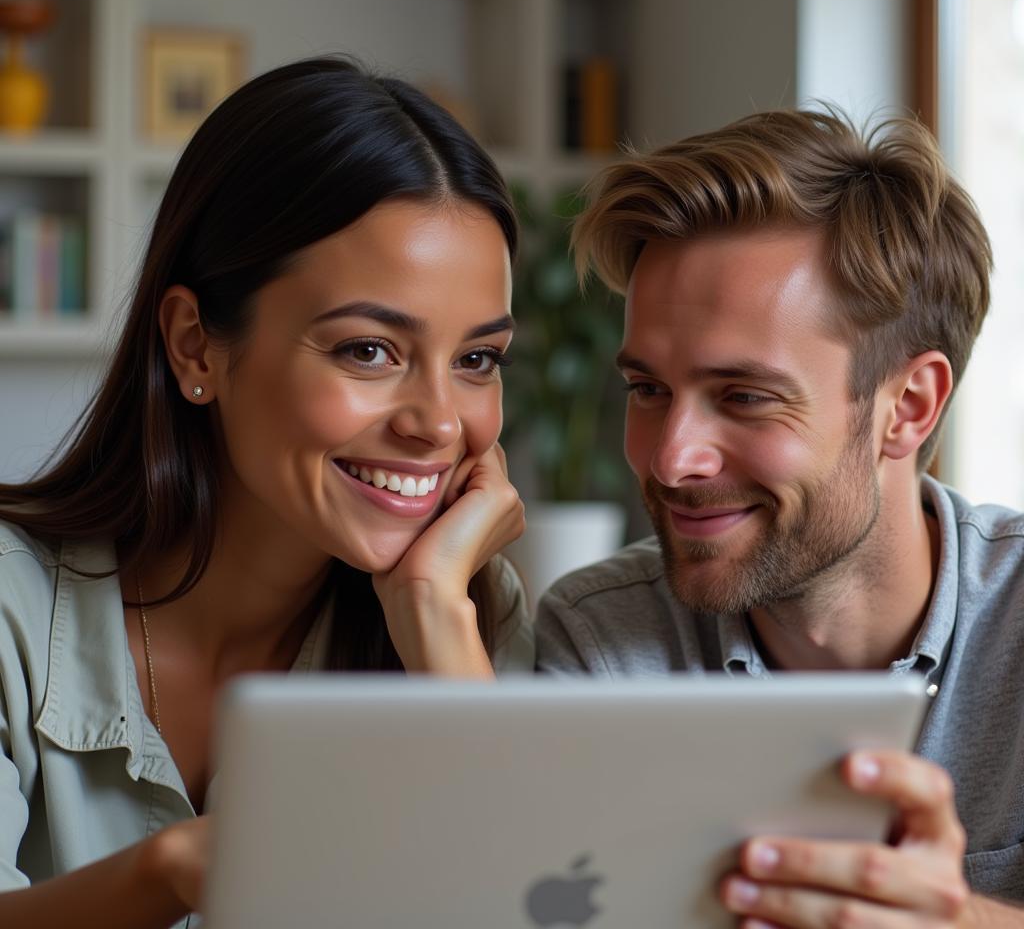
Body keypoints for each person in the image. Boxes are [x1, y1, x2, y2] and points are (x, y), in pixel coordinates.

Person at [0, 55, 533, 927]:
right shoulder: (8, 610)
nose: (439, 424)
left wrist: (435, 612)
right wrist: (171, 872)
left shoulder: (470, 620)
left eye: (477, 360)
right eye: (369, 349)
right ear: (195, 346)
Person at [534, 108, 1024, 925]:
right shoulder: (603, 642)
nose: (669, 459)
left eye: (745, 397)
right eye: (648, 390)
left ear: (908, 405)